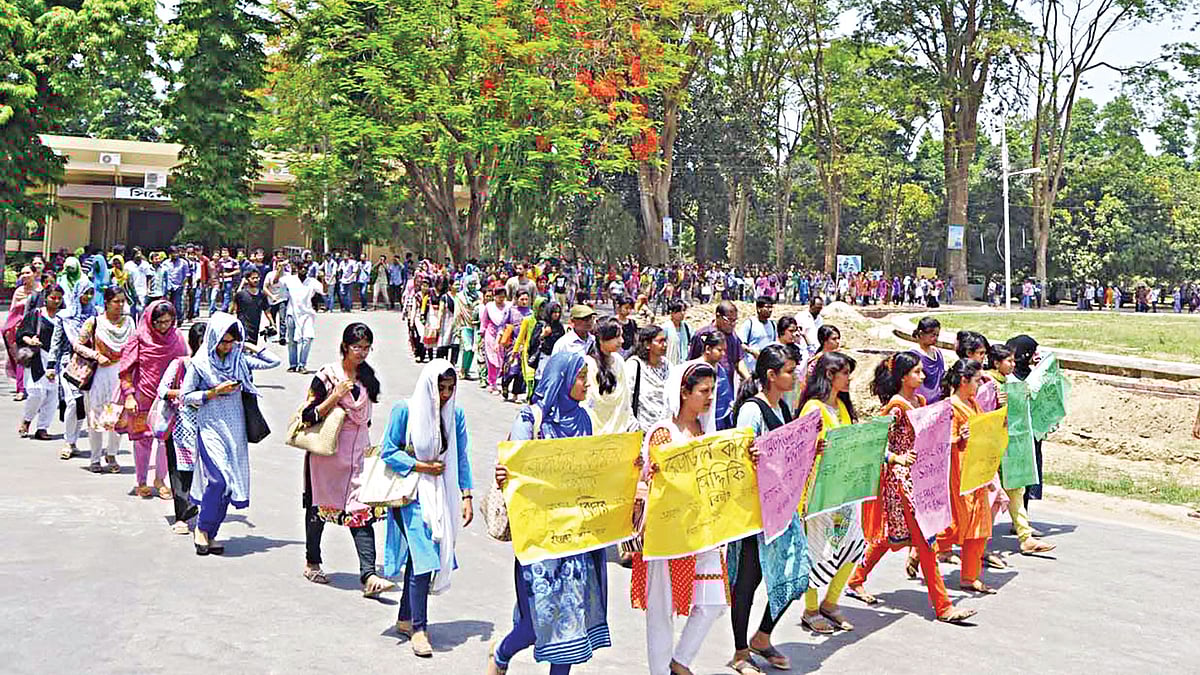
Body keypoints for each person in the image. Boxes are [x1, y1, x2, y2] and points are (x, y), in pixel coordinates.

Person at [489, 352, 611, 674]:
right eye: (581, 376)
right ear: (563, 378)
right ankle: (500, 656)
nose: (587, 383)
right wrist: (505, 476)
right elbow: (514, 470)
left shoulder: (584, 420)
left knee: (570, 622)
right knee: (534, 622)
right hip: (540, 540)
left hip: (574, 539)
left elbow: (594, 471)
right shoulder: (530, 419)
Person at [847, 352, 978, 623]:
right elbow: (875, 441)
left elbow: (929, 438)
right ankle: (943, 607)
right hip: (899, 480)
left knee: (890, 537)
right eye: (917, 372)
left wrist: (955, 438)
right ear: (904, 377)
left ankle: (856, 578)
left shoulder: (919, 401)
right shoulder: (895, 408)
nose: (923, 375)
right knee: (925, 539)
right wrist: (895, 457)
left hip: (918, 477)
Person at [630, 361, 728, 675]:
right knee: (661, 610)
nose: (710, 397)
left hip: (702, 530)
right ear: (684, 393)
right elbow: (653, 478)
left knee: (713, 601)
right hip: (667, 533)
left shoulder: (707, 431)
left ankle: (680, 662)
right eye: (703, 391)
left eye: (712, 390)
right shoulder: (664, 433)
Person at [726, 345, 812, 672]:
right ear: (772, 376)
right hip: (755, 513)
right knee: (747, 582)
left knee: (794, 574)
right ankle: (740, 651)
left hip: (780, 510)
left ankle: (762, 636)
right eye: (789, 370)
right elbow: (740, 457)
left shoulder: (784, 408)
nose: (794, 376)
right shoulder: (753, 410)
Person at [381, 359, 474, 658]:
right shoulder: (405, 411)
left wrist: (467, 495)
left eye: (450, 388)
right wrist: (420, 466)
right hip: (412, 495)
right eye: (441, 388)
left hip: (440, 494)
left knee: (419, 558)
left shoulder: (455, 414)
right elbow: (388, 451)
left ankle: (406, 618)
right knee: (425, 559)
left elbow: (461, 456)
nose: (445, 394)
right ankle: (420, 629)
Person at [300, 323, 395, 597]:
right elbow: (308, 415)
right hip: (328, 456)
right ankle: (312, 561)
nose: (362, 352)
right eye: (357, 347)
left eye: (366, 347)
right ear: (344, 347)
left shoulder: (368, 378)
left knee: (360, 510)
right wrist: (335, 396)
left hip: (357, 455)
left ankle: (369, 575)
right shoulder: (326, 376)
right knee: (319, 507)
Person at [183, 313, 281, 555]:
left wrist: (247, 345)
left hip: (235, 430)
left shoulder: (240, 359)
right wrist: (213, 392)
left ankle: (211, 533)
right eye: (223, 341)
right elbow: (186, 396)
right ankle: (202, 528)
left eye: (231, 341)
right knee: (218, 481)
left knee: (229, 485)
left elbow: (273, 361)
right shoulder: (200, 363)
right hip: (210, 429)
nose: (227, 347)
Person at [797, 352, 866, 633]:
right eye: (845, 373)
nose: (849, 378)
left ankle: (831, 601)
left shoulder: (842, 406)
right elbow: (798, 448)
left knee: (852, 545)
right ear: (830, 375)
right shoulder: (813, 408)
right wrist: (814, 449)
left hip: (846, 491)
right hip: (819, 493)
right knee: (818, 550)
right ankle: (811, 609)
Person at [935, 358, 998, 594]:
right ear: (963, 381)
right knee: (957, 522)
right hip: (958, 472)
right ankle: (923, 550)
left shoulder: (973, 403)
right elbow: (941, 441)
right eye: (976, 380)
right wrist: (959, 437)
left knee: (979, 522)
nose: (979, 385)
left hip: (977, 470)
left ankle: (969, 576)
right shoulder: (950, 407)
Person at [986, 343, 1056, 555]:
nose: (1013, 364)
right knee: (989, 496)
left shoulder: (1010, 382)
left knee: (1016, 489)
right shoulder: (986, 383)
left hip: (1009, 446)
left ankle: (1025, 538)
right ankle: (977, 542)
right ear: (997, 363)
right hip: (990, 448)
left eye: (1014, 360)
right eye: (1009, 361)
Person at [119, 300, 189, 499]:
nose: (163, 326)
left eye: (167, 321)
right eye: (158, 322)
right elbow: (125, 370)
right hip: (143, 395)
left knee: (165, 440)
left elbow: (184, 364)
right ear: (150, 320)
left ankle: (160, 479)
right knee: (143, 440)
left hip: (168, 398)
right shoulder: (139, 338)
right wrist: (129, 396)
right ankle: (141, 481)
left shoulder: (177, 338)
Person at [72, 287, 137, 474]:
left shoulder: (129, 323)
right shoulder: (94, 322)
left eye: (122, 301)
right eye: (116, 301)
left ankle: (112, 453)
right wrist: (96, 355)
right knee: (96, 417)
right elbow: (77, 344)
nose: (120, 305)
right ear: (107, 302)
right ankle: (95, 457)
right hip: (99, 375)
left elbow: (134, 346)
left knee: (117, 417)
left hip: (121, 375)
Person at [157, 321, 206, 534]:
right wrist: (186, 395)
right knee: (180, 472)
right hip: (180, 427)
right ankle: (181, 517)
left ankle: (201, 515)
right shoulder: (180, 364)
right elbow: (162, 390)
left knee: (204, 473)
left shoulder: (219, 368)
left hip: (208, 427)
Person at [17, 283, 64, 440]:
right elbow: (21, 333)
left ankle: (42, 428)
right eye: (53, 297)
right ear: (45, 298)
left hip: (56, 360)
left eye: (59, 298)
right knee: (36, 393)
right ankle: (27, 420)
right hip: (38, 358)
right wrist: (30, 340)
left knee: (52, 396)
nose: (56, 301)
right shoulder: (36, 314)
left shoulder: (64, 316)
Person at [687, 301, 749, 418]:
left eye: (735, 320)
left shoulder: (733, 336)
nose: (732, 324)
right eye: (729, 320)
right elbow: (692, 365)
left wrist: (749, 379)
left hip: (726, 392)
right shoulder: (702, 335)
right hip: (706, 392)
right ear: (718, 316)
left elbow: (738, 361)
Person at [584, 316, 634, 435]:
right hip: (595, 431)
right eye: (616, 337)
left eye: (621, 336)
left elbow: (626, 396)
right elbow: (587, 401)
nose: (621, 341)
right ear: (602, 339)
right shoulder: (588, 364)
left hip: (619, 431)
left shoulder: (619, 361)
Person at [625, 326, 670, 434]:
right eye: (660, 341)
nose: (665, 345)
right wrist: (634, 428)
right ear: (647, 344)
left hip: (664, 432)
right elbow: (626, 401)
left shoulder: (667, 366)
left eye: (665, 341)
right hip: (641, 432)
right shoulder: (634, 366)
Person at [282, 262, 324, 374]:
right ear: (297, 268)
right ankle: (293, 364)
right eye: (301, 268)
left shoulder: (312, 282)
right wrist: (279, 268)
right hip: (292, 312)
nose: (303, 270)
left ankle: (302, 365)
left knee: (308, 338)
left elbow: (323, 291)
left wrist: (322, 277)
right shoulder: (289, 279)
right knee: (292, 340)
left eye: (306, 268)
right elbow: (275, 282)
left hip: (307, 314)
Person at [482, 285, 514, 394]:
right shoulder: (489, 306)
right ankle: (492, 383)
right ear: (494, 297)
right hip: (490, 334)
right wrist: (482, 333)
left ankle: (498, 379)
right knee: (492, 359)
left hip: (503, 335)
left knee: (501, 358)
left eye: (503, 297)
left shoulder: (508, 307)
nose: (501, 300)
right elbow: (484, 321)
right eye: (499, 297)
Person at [527, 301, 565, 394]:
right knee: (540, 378)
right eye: (554, 312)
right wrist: (543, 335)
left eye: (558, 312)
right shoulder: (542, 324)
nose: (556, 315)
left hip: (555, 357)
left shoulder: (559, 326)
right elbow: (533, 342)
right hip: (544, 356)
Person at [737, 296, 777, 373]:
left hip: (766, 368)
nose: (770, 310)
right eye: (767, 307)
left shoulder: (773, 324)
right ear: (759, 309)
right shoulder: (750, 323)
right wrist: (752, 351)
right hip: (751, 368)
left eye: (771, 307)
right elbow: (740, 344)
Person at [910, 317, 945, 403]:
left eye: (937, 335)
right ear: (921, 334)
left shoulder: (937, 352)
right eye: (933, 335)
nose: (935, 338)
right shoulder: (914, 355)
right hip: (922, 401)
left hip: (938, 400)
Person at [231, 268, 270, 345]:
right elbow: (233, 309)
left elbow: (267, 311)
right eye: (253, 278)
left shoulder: (262, 295)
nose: (255, 280)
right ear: (247, 279)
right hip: (243, 327)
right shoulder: (240, 295)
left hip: (255, 327)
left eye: (257, 278)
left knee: (252, 348)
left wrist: (272, 323)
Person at [660, 300, 693, 367]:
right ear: (672, 313)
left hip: (684, 365)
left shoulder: (687, 327)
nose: (682, 313)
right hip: (669, 365)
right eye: (680, 311)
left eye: (684, 310)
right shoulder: (665, 328)